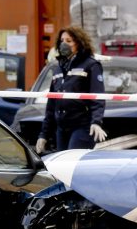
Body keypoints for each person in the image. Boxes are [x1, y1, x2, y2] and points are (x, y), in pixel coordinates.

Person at [35, 26, 107, 154]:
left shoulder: (90, 65)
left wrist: (96, 121)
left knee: (71, 160)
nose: (64, 44)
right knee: (61, 166)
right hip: (61, 128)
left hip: (83, 126)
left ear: (78, 43)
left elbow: (98, 96)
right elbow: (51, 104)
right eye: (62, 40)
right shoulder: (58, 68)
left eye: (69, 41)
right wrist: (43, 135)